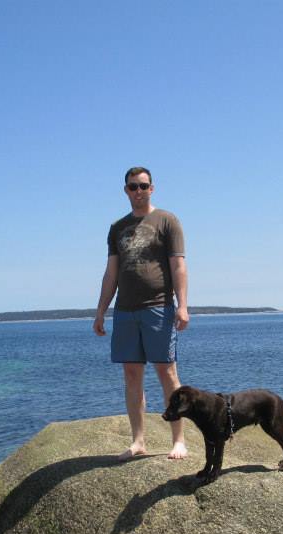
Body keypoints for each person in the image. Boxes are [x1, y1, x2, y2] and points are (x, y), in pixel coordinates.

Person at [93, 167, 190, 461]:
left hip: (159, 307)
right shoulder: (117, 228)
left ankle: (179, 441)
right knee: (132, 374)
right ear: (126, 190)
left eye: (143, 186)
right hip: (125, 311)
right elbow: (111, 273)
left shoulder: (167, 221)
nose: (138, 191)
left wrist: (183, 305)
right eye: (133, 186)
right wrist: (100, 312)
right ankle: (138, 441)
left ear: (152, 188)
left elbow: (178, 266)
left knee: (167, 372)